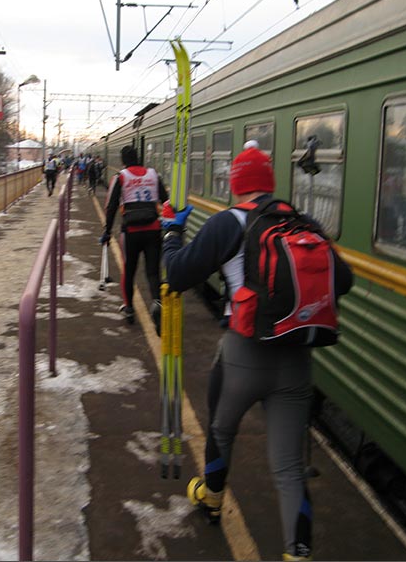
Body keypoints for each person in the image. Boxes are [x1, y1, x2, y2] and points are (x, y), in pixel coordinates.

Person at [159, 141, 353, 561]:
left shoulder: (229, 222)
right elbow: (345, 280)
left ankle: (211, 499)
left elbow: (176, 274)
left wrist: (171, 232)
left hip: (243, 354)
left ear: (237, 185)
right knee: (288, 467)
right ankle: (297, 552)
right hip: (297, 360)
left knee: (221, 429)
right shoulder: (304, 223)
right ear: (269, 184)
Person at [100, 145, 168, 332]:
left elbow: (111, 206)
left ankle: (129, 308)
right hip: (153, 229)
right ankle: (157, 303)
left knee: (129, 270)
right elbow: (165, 200)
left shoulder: (121, 177)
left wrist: (107, 230)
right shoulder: (153, 175)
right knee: (153, 272)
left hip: (130, 231)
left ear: (123, 160)